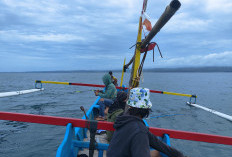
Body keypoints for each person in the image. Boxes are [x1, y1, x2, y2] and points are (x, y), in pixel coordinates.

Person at [107, 87, 185, 157]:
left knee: (157, 152)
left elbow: (156, 142)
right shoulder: (139, 130)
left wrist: (178, 154)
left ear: (130, 106)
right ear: (147, 109)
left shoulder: (124, 120)